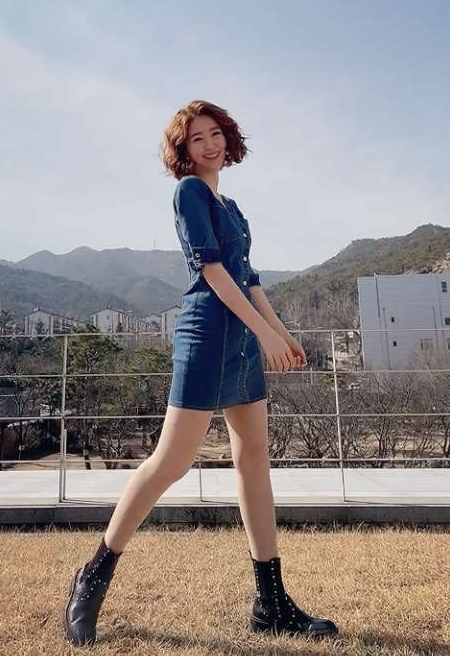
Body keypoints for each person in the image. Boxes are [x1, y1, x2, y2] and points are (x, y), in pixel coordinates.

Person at [63, 100, 338, 645]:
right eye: (197, 138)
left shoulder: (232, 206)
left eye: (216, 134)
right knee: (170, 462)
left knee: (253, 461)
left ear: (228, 139)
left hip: (243, 339)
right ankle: (91, 577)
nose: (210, 144)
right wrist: (263, 334)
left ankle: (271, 604)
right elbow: (211, 270)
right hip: (207, 335)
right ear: (183, 150)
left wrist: (281, 334)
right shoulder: (188, 192)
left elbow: (249, 279)